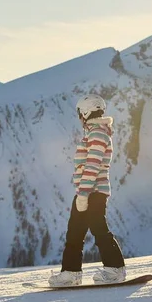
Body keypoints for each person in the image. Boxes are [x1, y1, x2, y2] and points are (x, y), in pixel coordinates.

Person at [48, 94, 126, 286]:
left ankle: (115, 269)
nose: (79, 118)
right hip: (86, 191)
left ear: (85, 112)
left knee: (99, 230)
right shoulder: (94, 132)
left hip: (93, 193)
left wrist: (83, 195)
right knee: (74, 233)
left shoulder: (98, 134)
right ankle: (70, 273)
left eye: (79, 114)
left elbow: (92, 165)